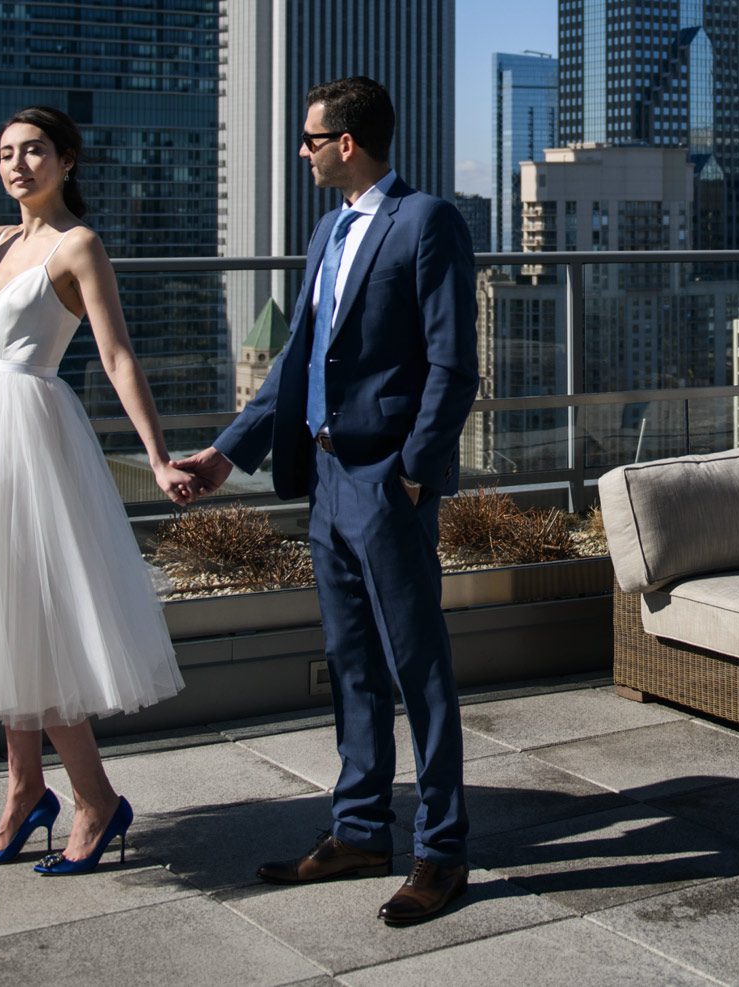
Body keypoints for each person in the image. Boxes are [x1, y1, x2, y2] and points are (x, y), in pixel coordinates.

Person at [175, 76, 479, 926]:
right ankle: (359, 830)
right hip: (324, 479)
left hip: (386, 482)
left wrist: (413, 469)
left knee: (419, 670)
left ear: (346, 143)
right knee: (352, 665)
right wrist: (223, 454)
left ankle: (442, 851)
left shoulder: (427, 223)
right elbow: (296, 361)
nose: (302, 150)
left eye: (310, 138)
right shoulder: (327, 230)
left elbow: (454, 365)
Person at [0, 106, 196, 875]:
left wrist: (156, 456)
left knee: (39, 625)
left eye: (35, 151)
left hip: (30, 435)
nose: (19, 164)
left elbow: (116, 354)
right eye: (8, 154)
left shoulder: (76, 245)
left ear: (67, 161)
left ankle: (94, 799)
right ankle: (24, 792)